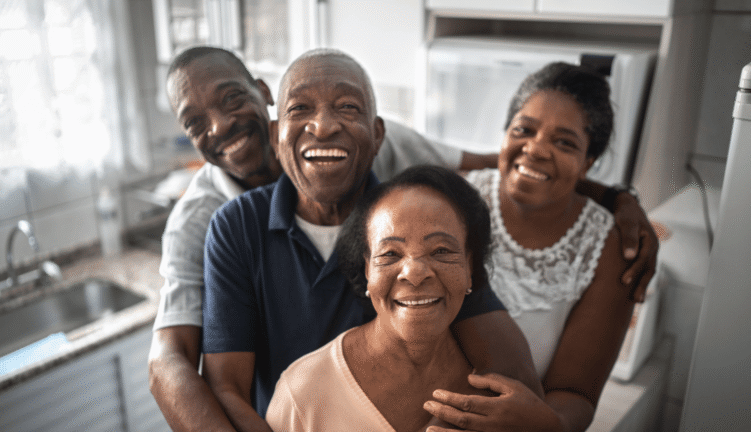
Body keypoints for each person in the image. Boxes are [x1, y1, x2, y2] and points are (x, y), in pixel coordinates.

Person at [149, 46, 657, 431]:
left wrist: (617, 199)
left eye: (347, 109)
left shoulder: (408, 207)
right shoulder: (222, 223)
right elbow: (189, 370)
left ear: (378, 137)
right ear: (281, 130)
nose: (323, 125)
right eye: (301, 110)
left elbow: (512, 162)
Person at [424, 62, 639, 432]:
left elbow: (576, 396)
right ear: (505, 134)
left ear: (589, 163)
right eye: (524, 130)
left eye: (564, 142)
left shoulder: (607, 247)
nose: (536, 150)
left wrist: (542, 423)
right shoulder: (451, 200)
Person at [265, 165, 501, 431]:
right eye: (390, 254)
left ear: (470, 267)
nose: (414, 274)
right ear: (367, 269)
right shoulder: (303, 394)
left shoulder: (497, 396)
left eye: (441, 250)